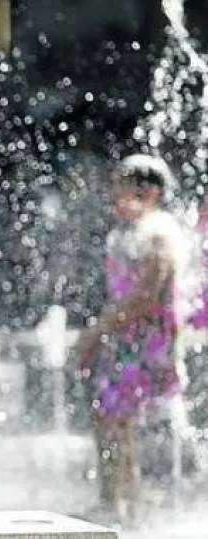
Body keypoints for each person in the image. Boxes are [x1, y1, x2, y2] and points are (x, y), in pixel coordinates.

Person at [77, 154, 188, 523]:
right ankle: (117, 501)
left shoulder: (158, 232)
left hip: (145, 342)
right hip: (126, 338)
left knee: (119, 418)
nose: (113, 194)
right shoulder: (131, 231)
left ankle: (128, 506)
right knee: (108, 415)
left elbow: (146, 295)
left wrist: (98, 330)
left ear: (151, 193)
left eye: (122, 186)